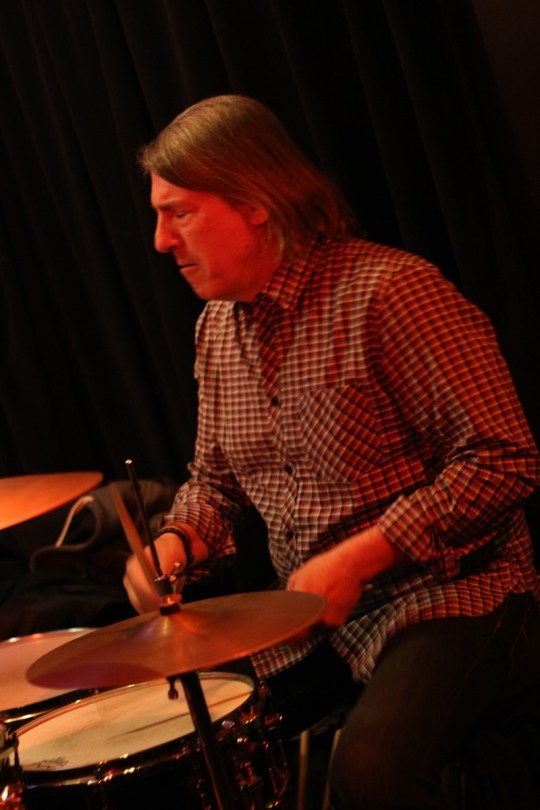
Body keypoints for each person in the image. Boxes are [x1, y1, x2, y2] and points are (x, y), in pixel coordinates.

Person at [124, 94, 540, 809]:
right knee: (182, 749)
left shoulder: (391, 292)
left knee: (370, 768)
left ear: (255, 201)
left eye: (179, 212)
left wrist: (362, 556)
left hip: (455, 597)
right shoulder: (215, 330)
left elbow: (504, 459)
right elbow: (215, 484)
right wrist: (177, 542)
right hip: (314, 623)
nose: (161, 240)